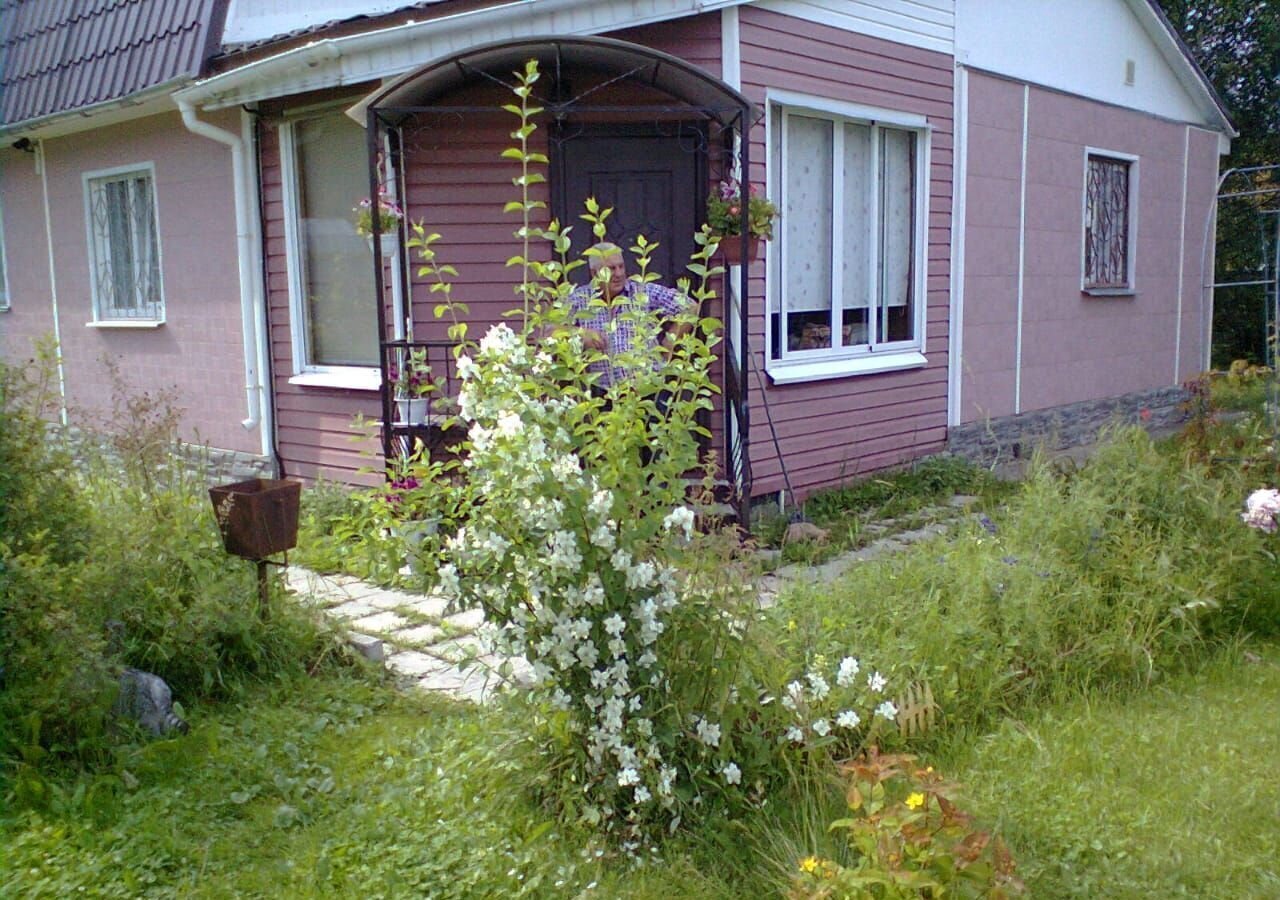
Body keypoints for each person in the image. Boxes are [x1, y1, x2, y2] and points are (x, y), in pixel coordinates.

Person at [567, 242, 694, 391]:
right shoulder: (580, 298)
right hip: (604, 396)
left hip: (648, 392)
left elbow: (690, 307)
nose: (619, 274)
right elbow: (547, 329)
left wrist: (670, 342)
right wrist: (580, 334)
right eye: (611, 269)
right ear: (594, 273)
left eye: (621, 266)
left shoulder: (642, 291)